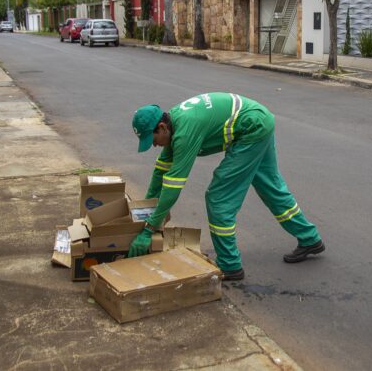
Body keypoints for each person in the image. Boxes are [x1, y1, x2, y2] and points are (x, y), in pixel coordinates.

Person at [128, 93, 325, 280]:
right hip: (259, 119)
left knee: (218, 198)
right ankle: (310, 238)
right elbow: (160, 172)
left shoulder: (184, 134)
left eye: (153, 140)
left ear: (162, 127)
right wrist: (144, 211)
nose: (154, 146)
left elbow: (173, 186)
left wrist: (149, 229)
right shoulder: (174, 124)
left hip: (252, 129)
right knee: (270, 186)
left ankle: (230, 265)